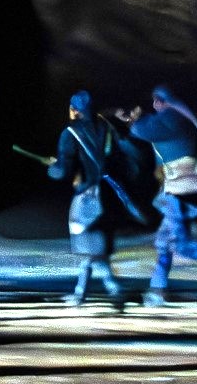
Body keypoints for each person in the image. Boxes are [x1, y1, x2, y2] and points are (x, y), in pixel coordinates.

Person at [127, 84, 197, 304]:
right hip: (177, 190)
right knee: (164, 243)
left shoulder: (172, 118)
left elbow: (143, 130)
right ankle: (157, 289)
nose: (154, 105)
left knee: (178, 243)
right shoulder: (178, 118)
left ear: (161, 100)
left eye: (156, 101)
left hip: (181, 191)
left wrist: (135, 119)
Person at [46, 91, 137, 307]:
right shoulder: (105, 126)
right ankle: (83, 294)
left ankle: (111, 290)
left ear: (74, 109)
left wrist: (53, 168)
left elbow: (63, 170)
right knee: (95, 248)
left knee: (88, 248)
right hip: (109, 194)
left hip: (87, 198)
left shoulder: (70, 132)